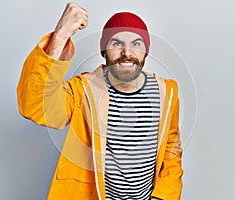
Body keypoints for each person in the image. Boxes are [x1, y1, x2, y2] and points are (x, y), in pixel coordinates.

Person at [17, 2, 183, 200]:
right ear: (104, 51)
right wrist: (60, 35)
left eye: (136, 43)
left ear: (145, 51)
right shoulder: (81, 90)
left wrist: (163, 196)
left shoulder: (167, 91)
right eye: (117, 43)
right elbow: (33, 105)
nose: (127, 53)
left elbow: (171, 151)